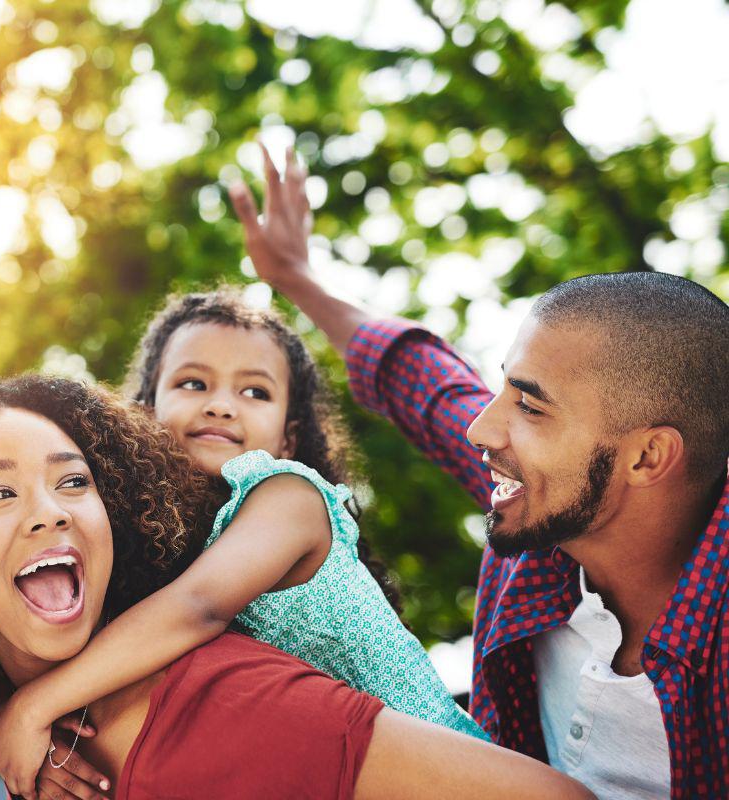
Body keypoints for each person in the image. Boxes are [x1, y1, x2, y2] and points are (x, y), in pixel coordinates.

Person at [0, 375, 591, 799]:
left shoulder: (213, 696)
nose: (52, 514)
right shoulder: (56, 766)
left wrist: (33, 709)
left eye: (74, 482)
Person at [225, 136, 729, 800]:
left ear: (647, 456)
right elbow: (423, 381)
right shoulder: (546, 514)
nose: (482, 428)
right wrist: (296, 278)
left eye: (532, 406)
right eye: (502, 389)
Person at [0, 289, 485, 799]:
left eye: (255, 393)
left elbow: (198, 608)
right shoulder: (152, 546)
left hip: (447, 772)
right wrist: (5, 710)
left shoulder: (289, 496)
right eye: (193, 383)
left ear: (289, 437)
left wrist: (33, 709)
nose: (220, 406)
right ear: (145, 411)